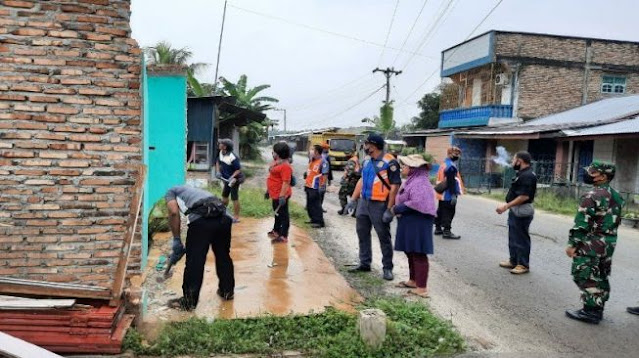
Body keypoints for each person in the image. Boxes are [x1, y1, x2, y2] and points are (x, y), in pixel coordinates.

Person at [565, 161, 624, 324]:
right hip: (609, 243)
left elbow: (582, 224)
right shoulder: (617, 195)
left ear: (603, 176)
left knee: (584, 274)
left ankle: (591, 311)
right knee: (601, 274)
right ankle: (598, 306)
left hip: (592, 243)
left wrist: (572, 244)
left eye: (593, 172)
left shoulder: (592, 195)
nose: (588, 174)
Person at [165, 185, 235, 310]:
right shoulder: (195, 191)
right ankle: (227, 291)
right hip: (224, 219)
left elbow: (174, 212)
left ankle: (189, 302)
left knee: (195, 261)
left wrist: (176, 239)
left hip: (202, 222)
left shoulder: (170, 191)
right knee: (223, 256)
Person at [346, 133, 401, 281]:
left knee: (383, 236)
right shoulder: (366, 162)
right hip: (364, 202)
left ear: (374, 145)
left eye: (366, 144)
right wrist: (353, 199)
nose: (365, 146)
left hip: (380, 204)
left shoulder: (390, 162)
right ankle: (364, 263)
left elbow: (395, 186)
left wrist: (390, 209)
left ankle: (387, 268)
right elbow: (362, 181)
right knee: (362, 233)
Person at [392, 154, 437, 298]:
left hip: (418, 221)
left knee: (418, 252)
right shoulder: (413, 180)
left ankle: (422, 287)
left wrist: (397, 209)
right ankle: (413, 280)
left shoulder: (420, 182)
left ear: (413, 168)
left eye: (405, 166)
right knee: (410, 251)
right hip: (410, 220)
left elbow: (417, 203)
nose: (402, 168)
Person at [496, 151, 537, 275]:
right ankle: (513, 260)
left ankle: (523, 264)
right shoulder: (522, 174)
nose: (512, 162)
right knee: (513, 237)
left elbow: (524, 196)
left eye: (514, 160)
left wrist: (506, 206)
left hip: (522, 210)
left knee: (521, 239)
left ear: (520, 161)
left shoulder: (528, 176)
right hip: (516, 210)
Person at [434, 146, 465, 239]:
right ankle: (447, 231)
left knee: (441, 210)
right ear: (449, 154)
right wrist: (453, 195)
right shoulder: (451, 166)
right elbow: (451, 182)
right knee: (449, 212)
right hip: (448, 194)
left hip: (441, 193)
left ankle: (438, 228)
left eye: (458, 154)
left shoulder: (444, 164)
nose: (457, 156)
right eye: (455, 154)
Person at [266, 142, 293, 244]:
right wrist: (268, 190)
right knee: (277, 213)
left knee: (283, 215)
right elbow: (272, 177)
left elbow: (286, 182)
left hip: (281, 194)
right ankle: (276, 230)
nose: (272, 153)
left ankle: (283, 236)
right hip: (274, 193)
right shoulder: (276, 162)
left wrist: (282, 196)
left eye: (274, 151)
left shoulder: (286, 166)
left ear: (279, 153)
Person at [215, 138, 242, 223]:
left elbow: (238, 169)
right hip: (226, 179)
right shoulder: (220, 153)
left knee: (234, 197)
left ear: (225, 147)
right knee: (224, 196)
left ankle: (236, 217)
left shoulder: (232, 157)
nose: (219, 144)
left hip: (234, 179)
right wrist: (218, 171)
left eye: (221, 143)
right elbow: (217, 162)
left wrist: (232, 177)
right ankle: (223, 212)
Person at [305, 144, 329, 228]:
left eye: (312, 149)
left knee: (316, 205)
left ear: (316, 152)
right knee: (309, 205)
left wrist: (322, 186)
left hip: (315, 187)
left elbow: (325, 175)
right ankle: (313, 219)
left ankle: (319, 222)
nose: (310, 151)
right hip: (308, 186)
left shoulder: (323, 162)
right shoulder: (312, 160)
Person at [337, 150, 361, 216]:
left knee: (342, 194)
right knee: (354, 196)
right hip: (355, 181)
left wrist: (345, 178)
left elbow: (350, 171)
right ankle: (355, 212)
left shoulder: (352, 160)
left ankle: (344, 209)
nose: (346, 155)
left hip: (350, 181)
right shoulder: (357, 159)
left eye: (347, 154)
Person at [320, 142, 333, 212]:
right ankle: (319, 207)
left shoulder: (317, 155)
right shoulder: (326, 156)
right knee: (321, 193)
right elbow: (329, 169)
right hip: (323, 178)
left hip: (315, 178)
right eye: (327, 148)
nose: (328, 149)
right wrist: (330, 179)